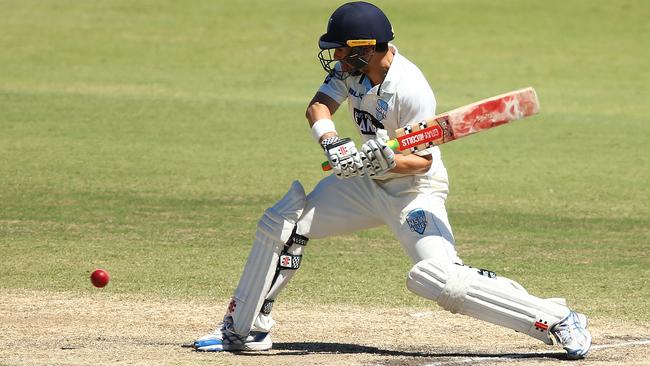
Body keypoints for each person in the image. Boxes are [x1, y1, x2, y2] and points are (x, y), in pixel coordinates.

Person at [193, 1, 592, 359]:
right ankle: (244, 330)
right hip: (362, 184)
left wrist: (384, 161)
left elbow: (420, 162)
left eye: (342, 48)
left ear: (367, 47)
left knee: (438, 279)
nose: (336, 55)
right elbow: (318, 107)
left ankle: (557, 318)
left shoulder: (410, 87)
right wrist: (336, 145)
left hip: (413, 192)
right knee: (284, 222)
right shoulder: (350, 71)